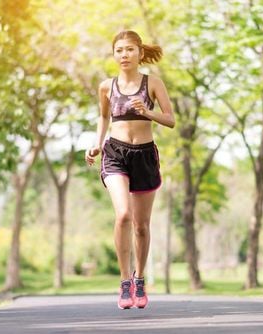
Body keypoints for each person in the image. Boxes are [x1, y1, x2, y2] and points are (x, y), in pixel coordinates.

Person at [85, 30, 175, 309]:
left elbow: (170, 120)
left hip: (145, 155)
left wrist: (148, 112)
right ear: (114, 55)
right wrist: (97, 144)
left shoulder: (152, 83)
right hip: (115, 153)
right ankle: (125, 281)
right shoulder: (106, 86)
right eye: (119, 50)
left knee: (141, 226)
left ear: (139, 53)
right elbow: (103, 116)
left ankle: (140, 277)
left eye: (129, 50)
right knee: (123, 214)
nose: (124, 55)